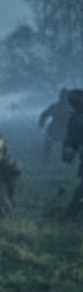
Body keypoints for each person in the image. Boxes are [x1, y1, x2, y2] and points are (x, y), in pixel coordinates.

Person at [59, 89, 83, 219]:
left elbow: (72, 140)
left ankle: (70, 216)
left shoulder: (77, 118)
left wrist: (69, 152)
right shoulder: (77, 117)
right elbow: (73, 140)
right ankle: (71, 216)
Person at [41, 88, 74, 158]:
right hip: (55, 128)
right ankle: (46, 158)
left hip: (66, 129)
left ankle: (69, 159)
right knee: (48, 144)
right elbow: (44, 114)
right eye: (63, 96)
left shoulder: (72, 107)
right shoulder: (56, 106)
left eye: (65, 96)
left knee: (69, 146)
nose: (64, 98)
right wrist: (42, 123)